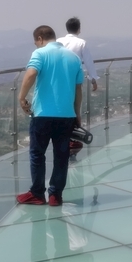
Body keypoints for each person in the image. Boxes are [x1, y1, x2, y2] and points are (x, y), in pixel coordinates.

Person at [16, 25, 84, 207]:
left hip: (42, 114)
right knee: (61, 156)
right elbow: (78, 90)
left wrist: (21, 97)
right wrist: (77, 113)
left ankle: (37, 193)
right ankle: (56, 195)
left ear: (39, 38)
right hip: (66, 115)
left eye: (36, 42)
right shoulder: (74, 58)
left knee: (37, 154)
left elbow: (31, 74)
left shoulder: (40, 54)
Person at [58, 17, 100, 92]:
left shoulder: (58, 41)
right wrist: (93, 79)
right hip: (74, 75)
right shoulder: (81, 43)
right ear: (78, 29)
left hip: (59, 74)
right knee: (75, 97)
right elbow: (88, 62)